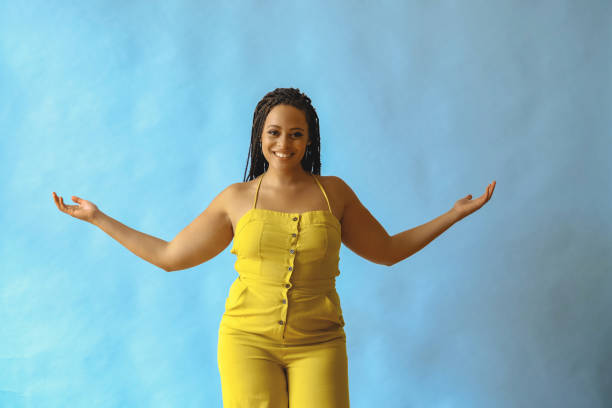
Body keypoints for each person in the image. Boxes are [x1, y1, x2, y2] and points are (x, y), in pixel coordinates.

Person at [52, 87, 496, 407]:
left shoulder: (334, 193)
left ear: (309, 139)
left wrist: (452, 215)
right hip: (247, 341)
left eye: (296, 134)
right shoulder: (236, 198)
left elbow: (387, 251)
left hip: (320, 342)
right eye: (275, 132)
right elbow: (171, 257)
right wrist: (98, 218)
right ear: (259, 136)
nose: (285, 144)